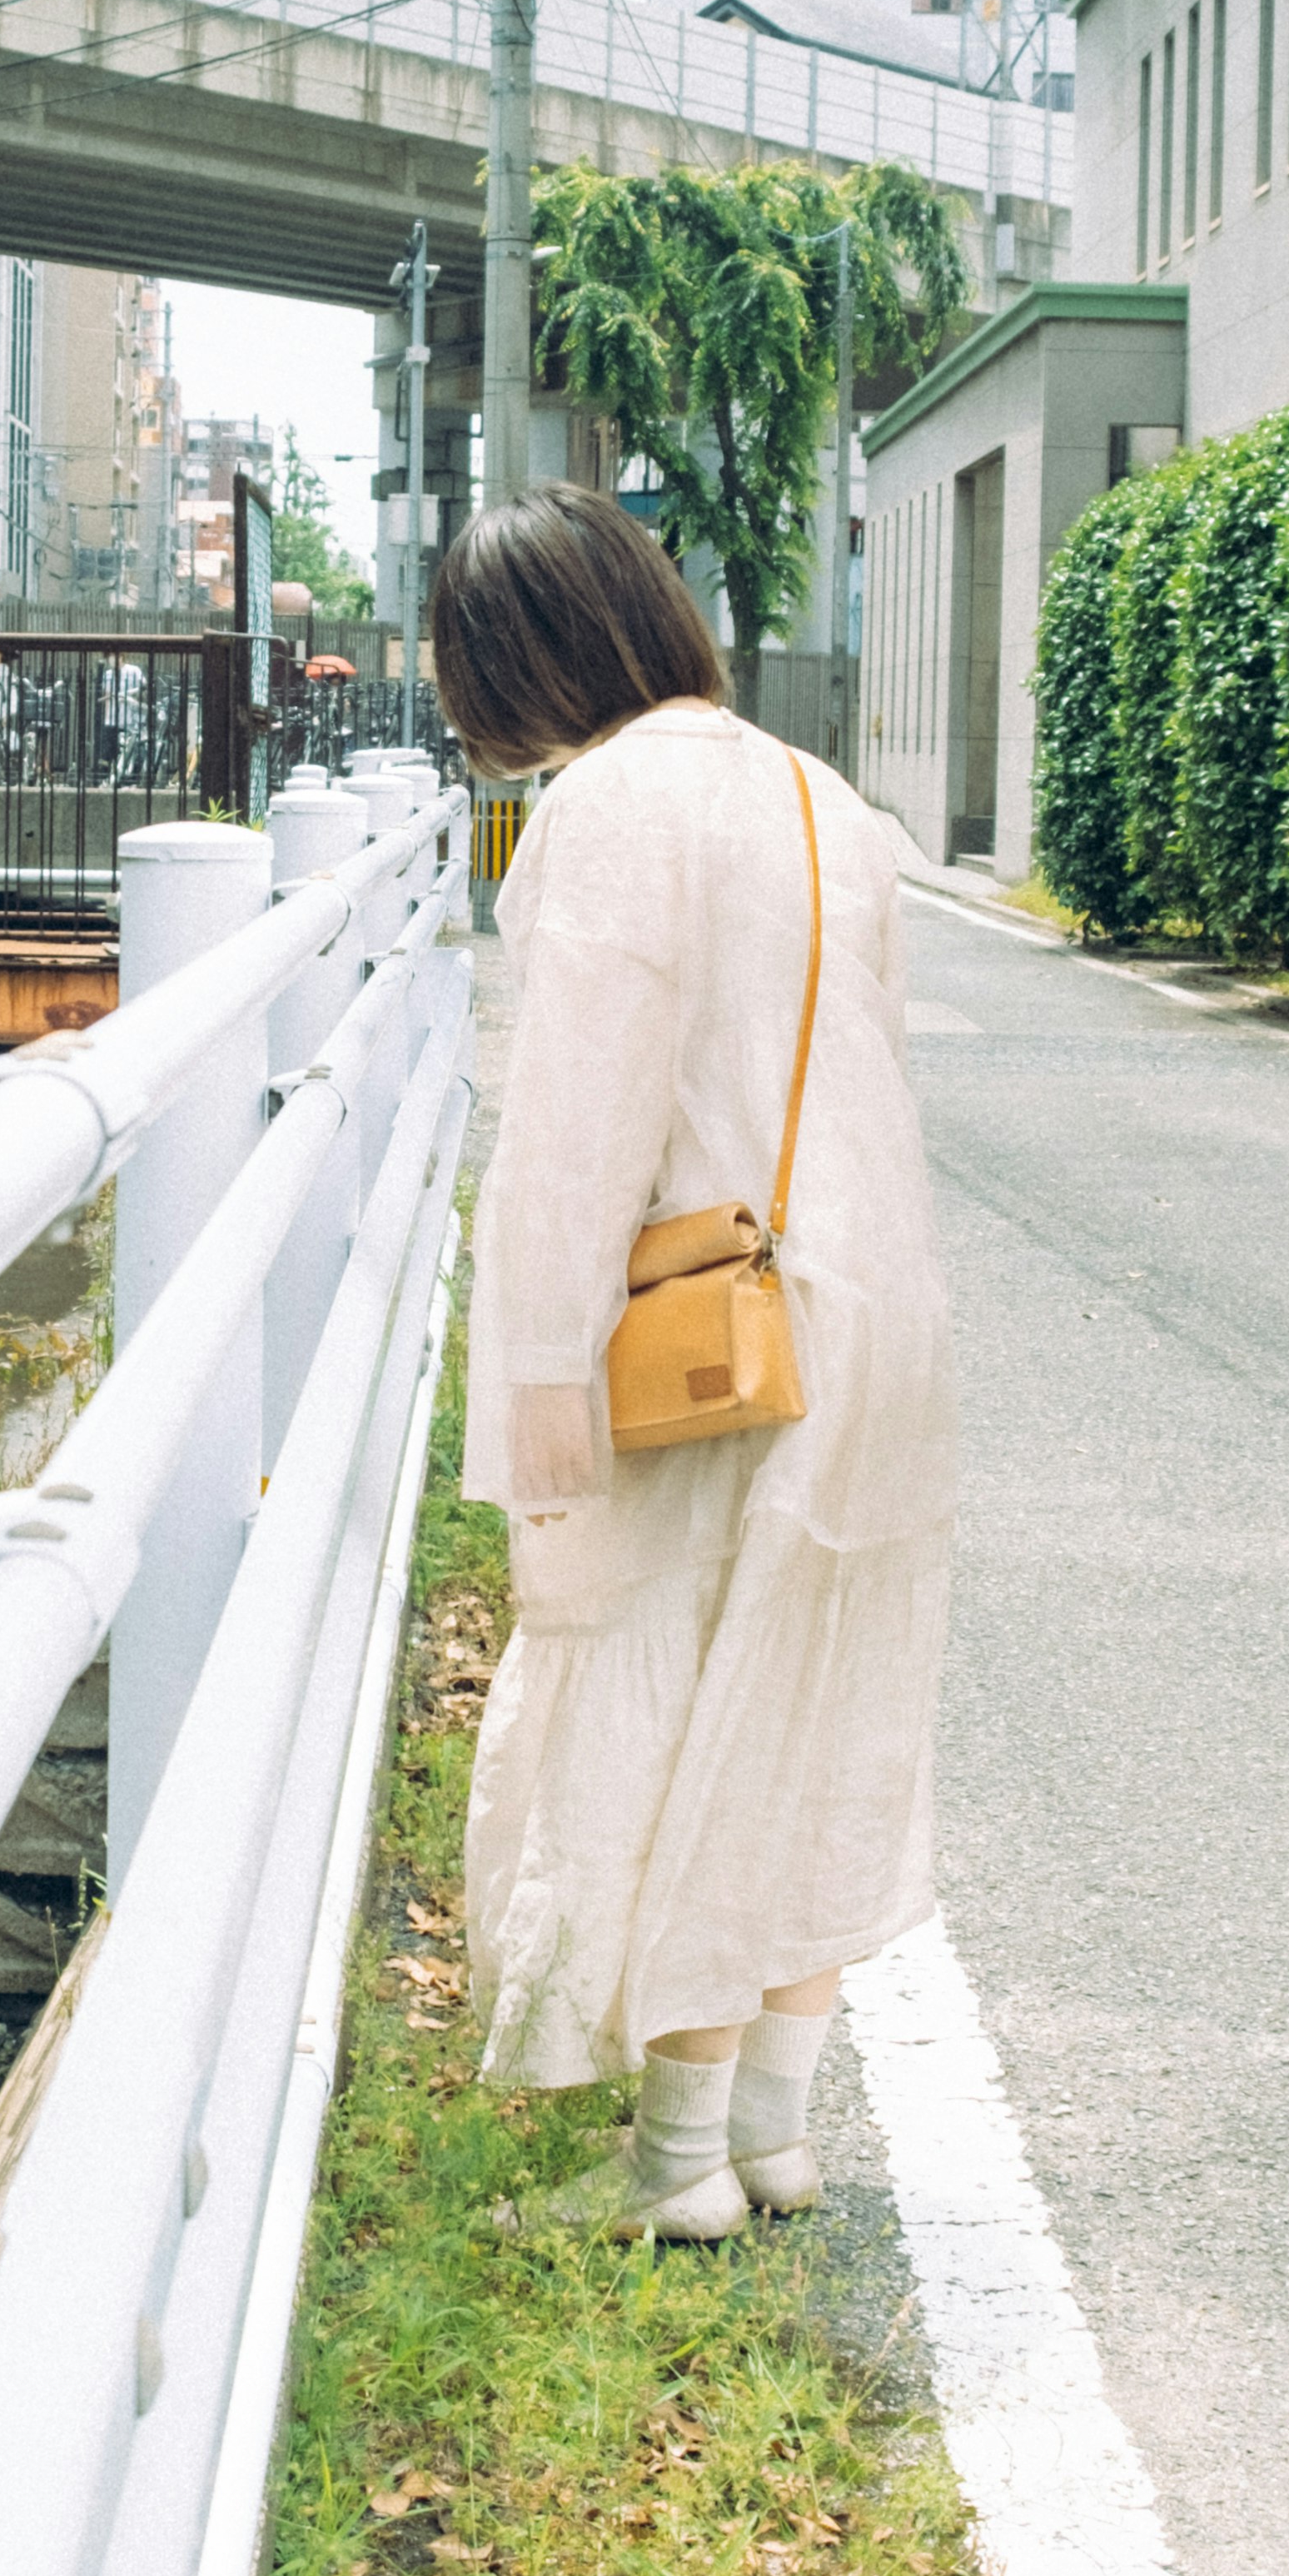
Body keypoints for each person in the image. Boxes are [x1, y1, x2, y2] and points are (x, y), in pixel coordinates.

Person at [436, 485, 958, 2239]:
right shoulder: (826, 798)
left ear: (525, 656)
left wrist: (534, 1383)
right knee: (811, 1712)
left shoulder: (607, 807)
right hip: (880, 1311)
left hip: (719, 1335)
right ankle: (775, 2139)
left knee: (661, 1705)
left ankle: (672, 2173)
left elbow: (577, 1128)